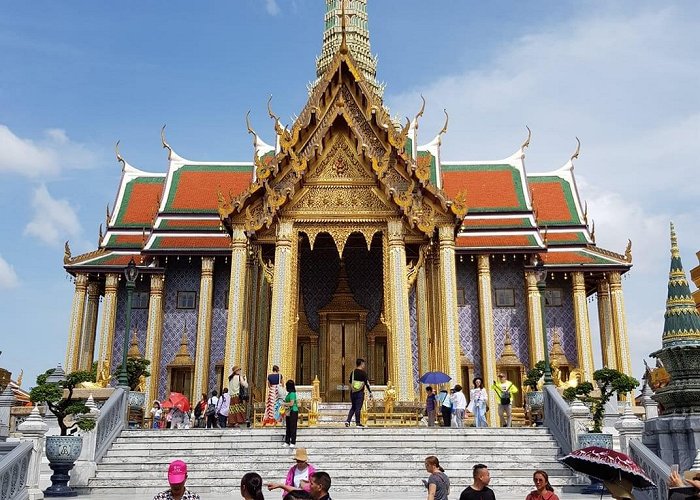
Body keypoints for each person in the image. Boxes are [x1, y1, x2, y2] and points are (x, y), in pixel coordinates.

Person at [345, 358, 372, 427]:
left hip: (353, 392)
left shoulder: (353, 372)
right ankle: (357, 423)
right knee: (358, 408)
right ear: (361, 364)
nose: (364, 365)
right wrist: (370, 392)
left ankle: (348, 421)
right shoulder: (363, 373)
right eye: (364, 364)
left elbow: (350, 382)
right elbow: (367, 383)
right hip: (360, 392)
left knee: (353, 407)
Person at [284, 379, 299, 448]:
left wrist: (284, 404)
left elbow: (292, 403)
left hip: (293, 411)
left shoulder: (292, 394)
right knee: (288, 427)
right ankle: (287, 441)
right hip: (288, 411)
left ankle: (293, 441)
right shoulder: (289, 394)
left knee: (293, 427)